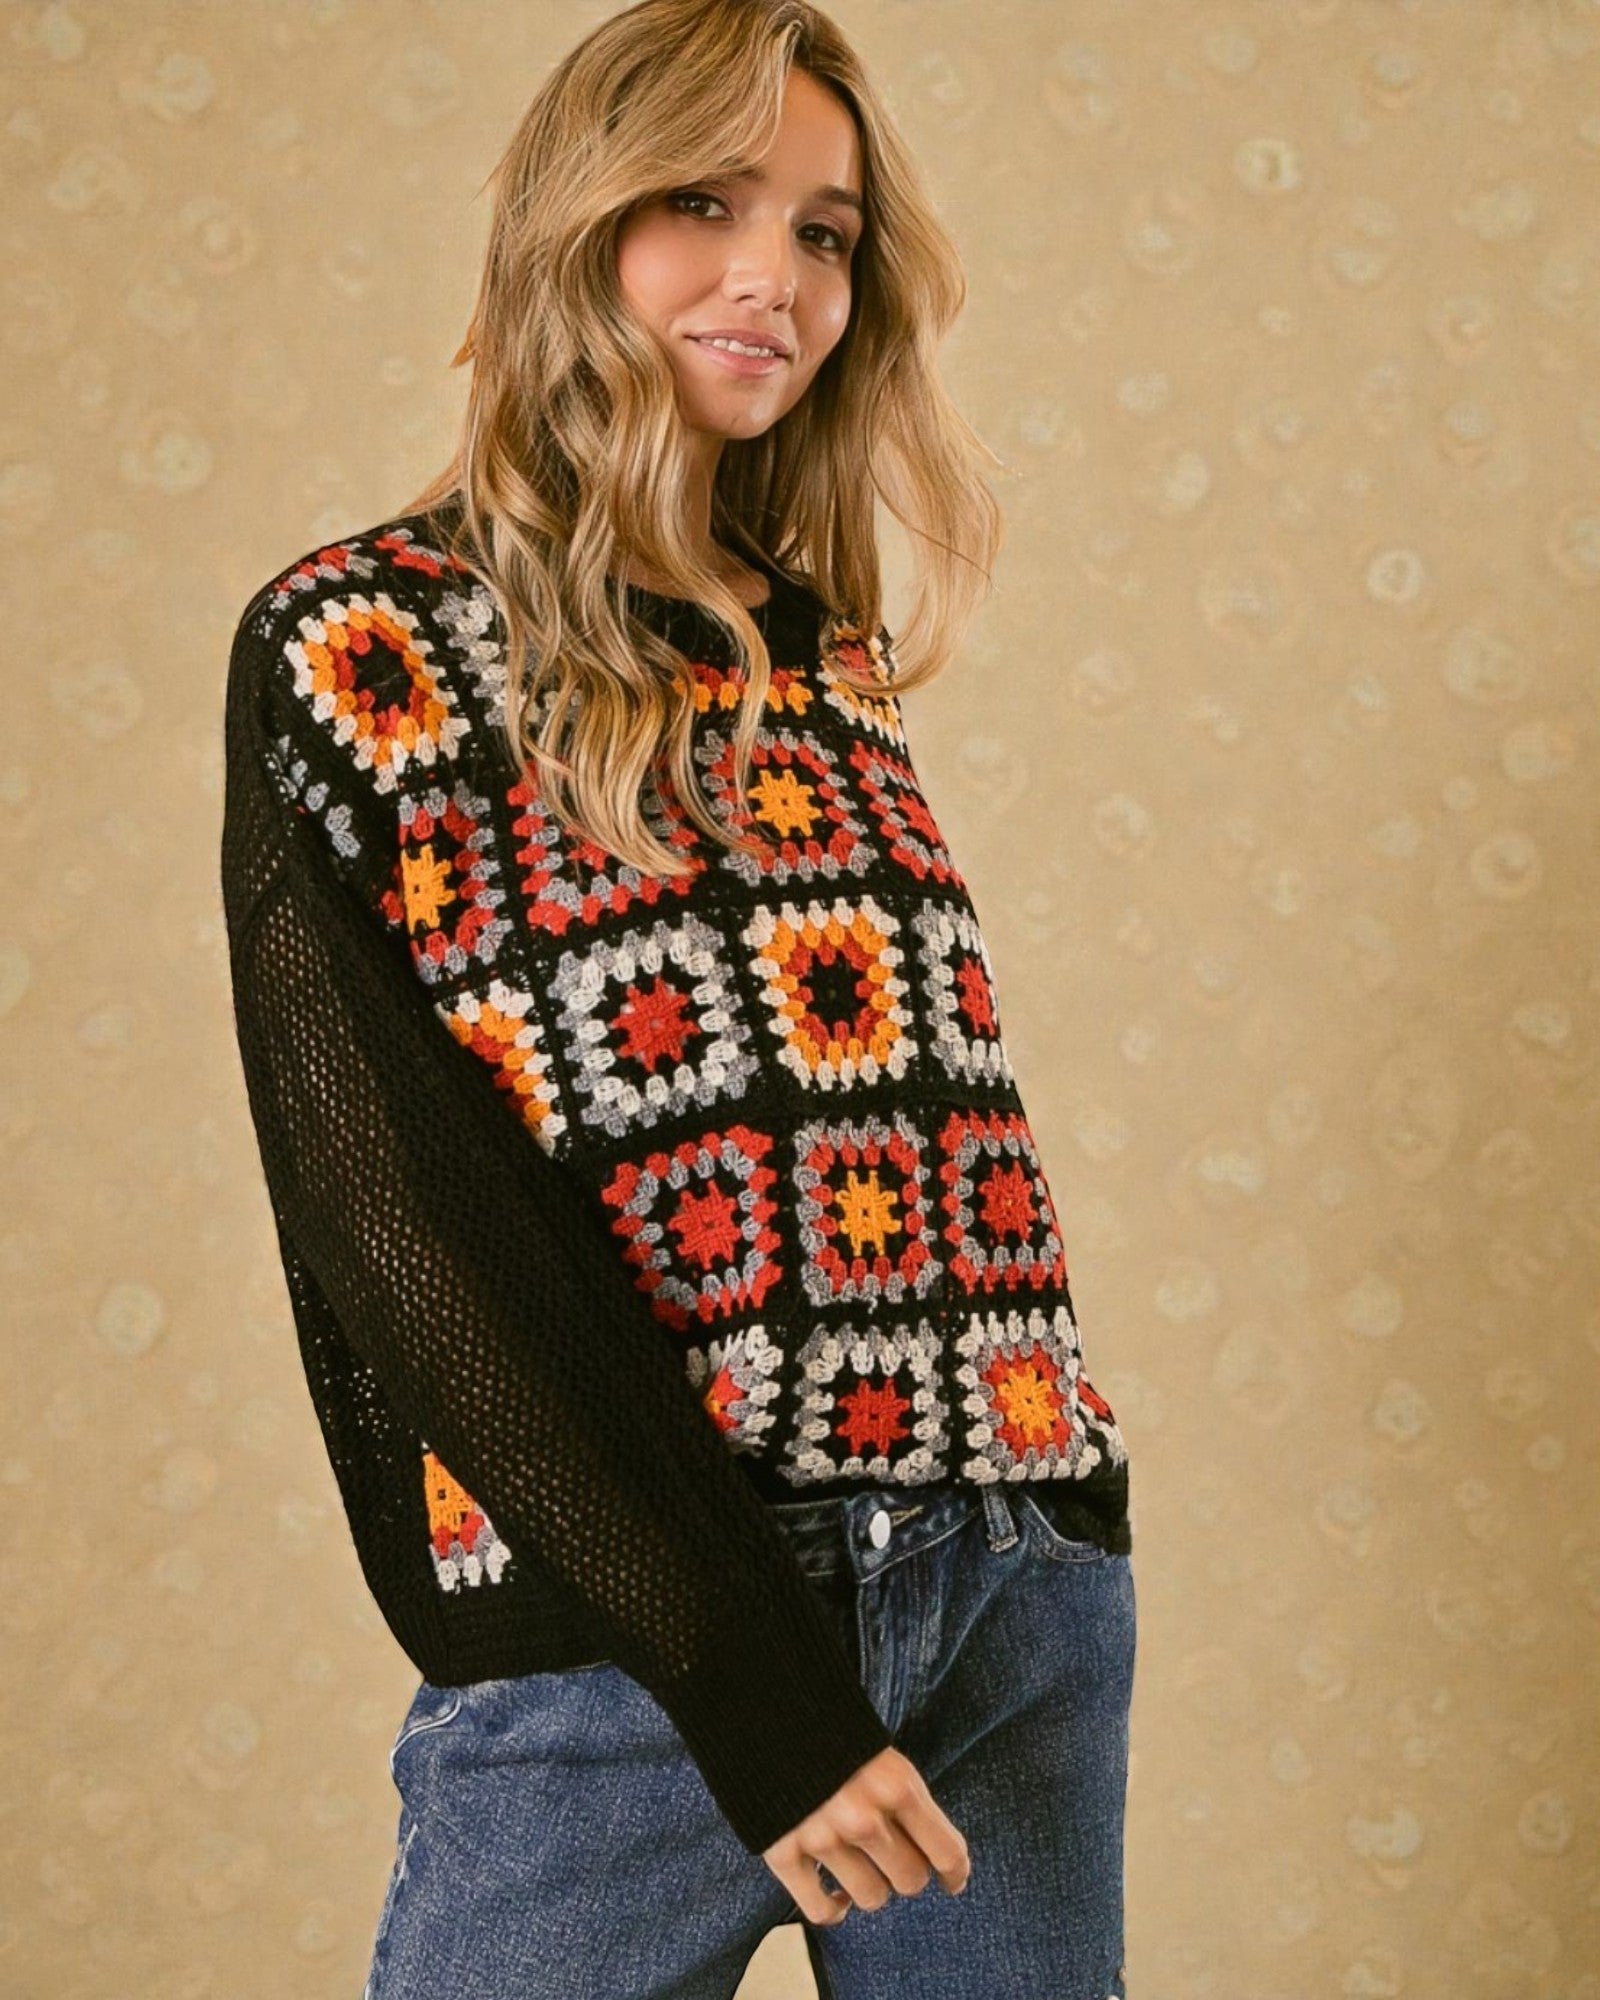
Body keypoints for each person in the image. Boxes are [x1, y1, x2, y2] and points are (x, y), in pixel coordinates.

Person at [218, 3, 1135, 1995]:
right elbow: (406, 1224)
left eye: (822, 230)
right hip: (635, 1641)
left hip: (1004, 1577)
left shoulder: (817, 662)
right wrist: (748, 1682)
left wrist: (1058, 1508)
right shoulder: (361, 647)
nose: (772, 277)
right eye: (702, 204)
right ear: (575, 229)